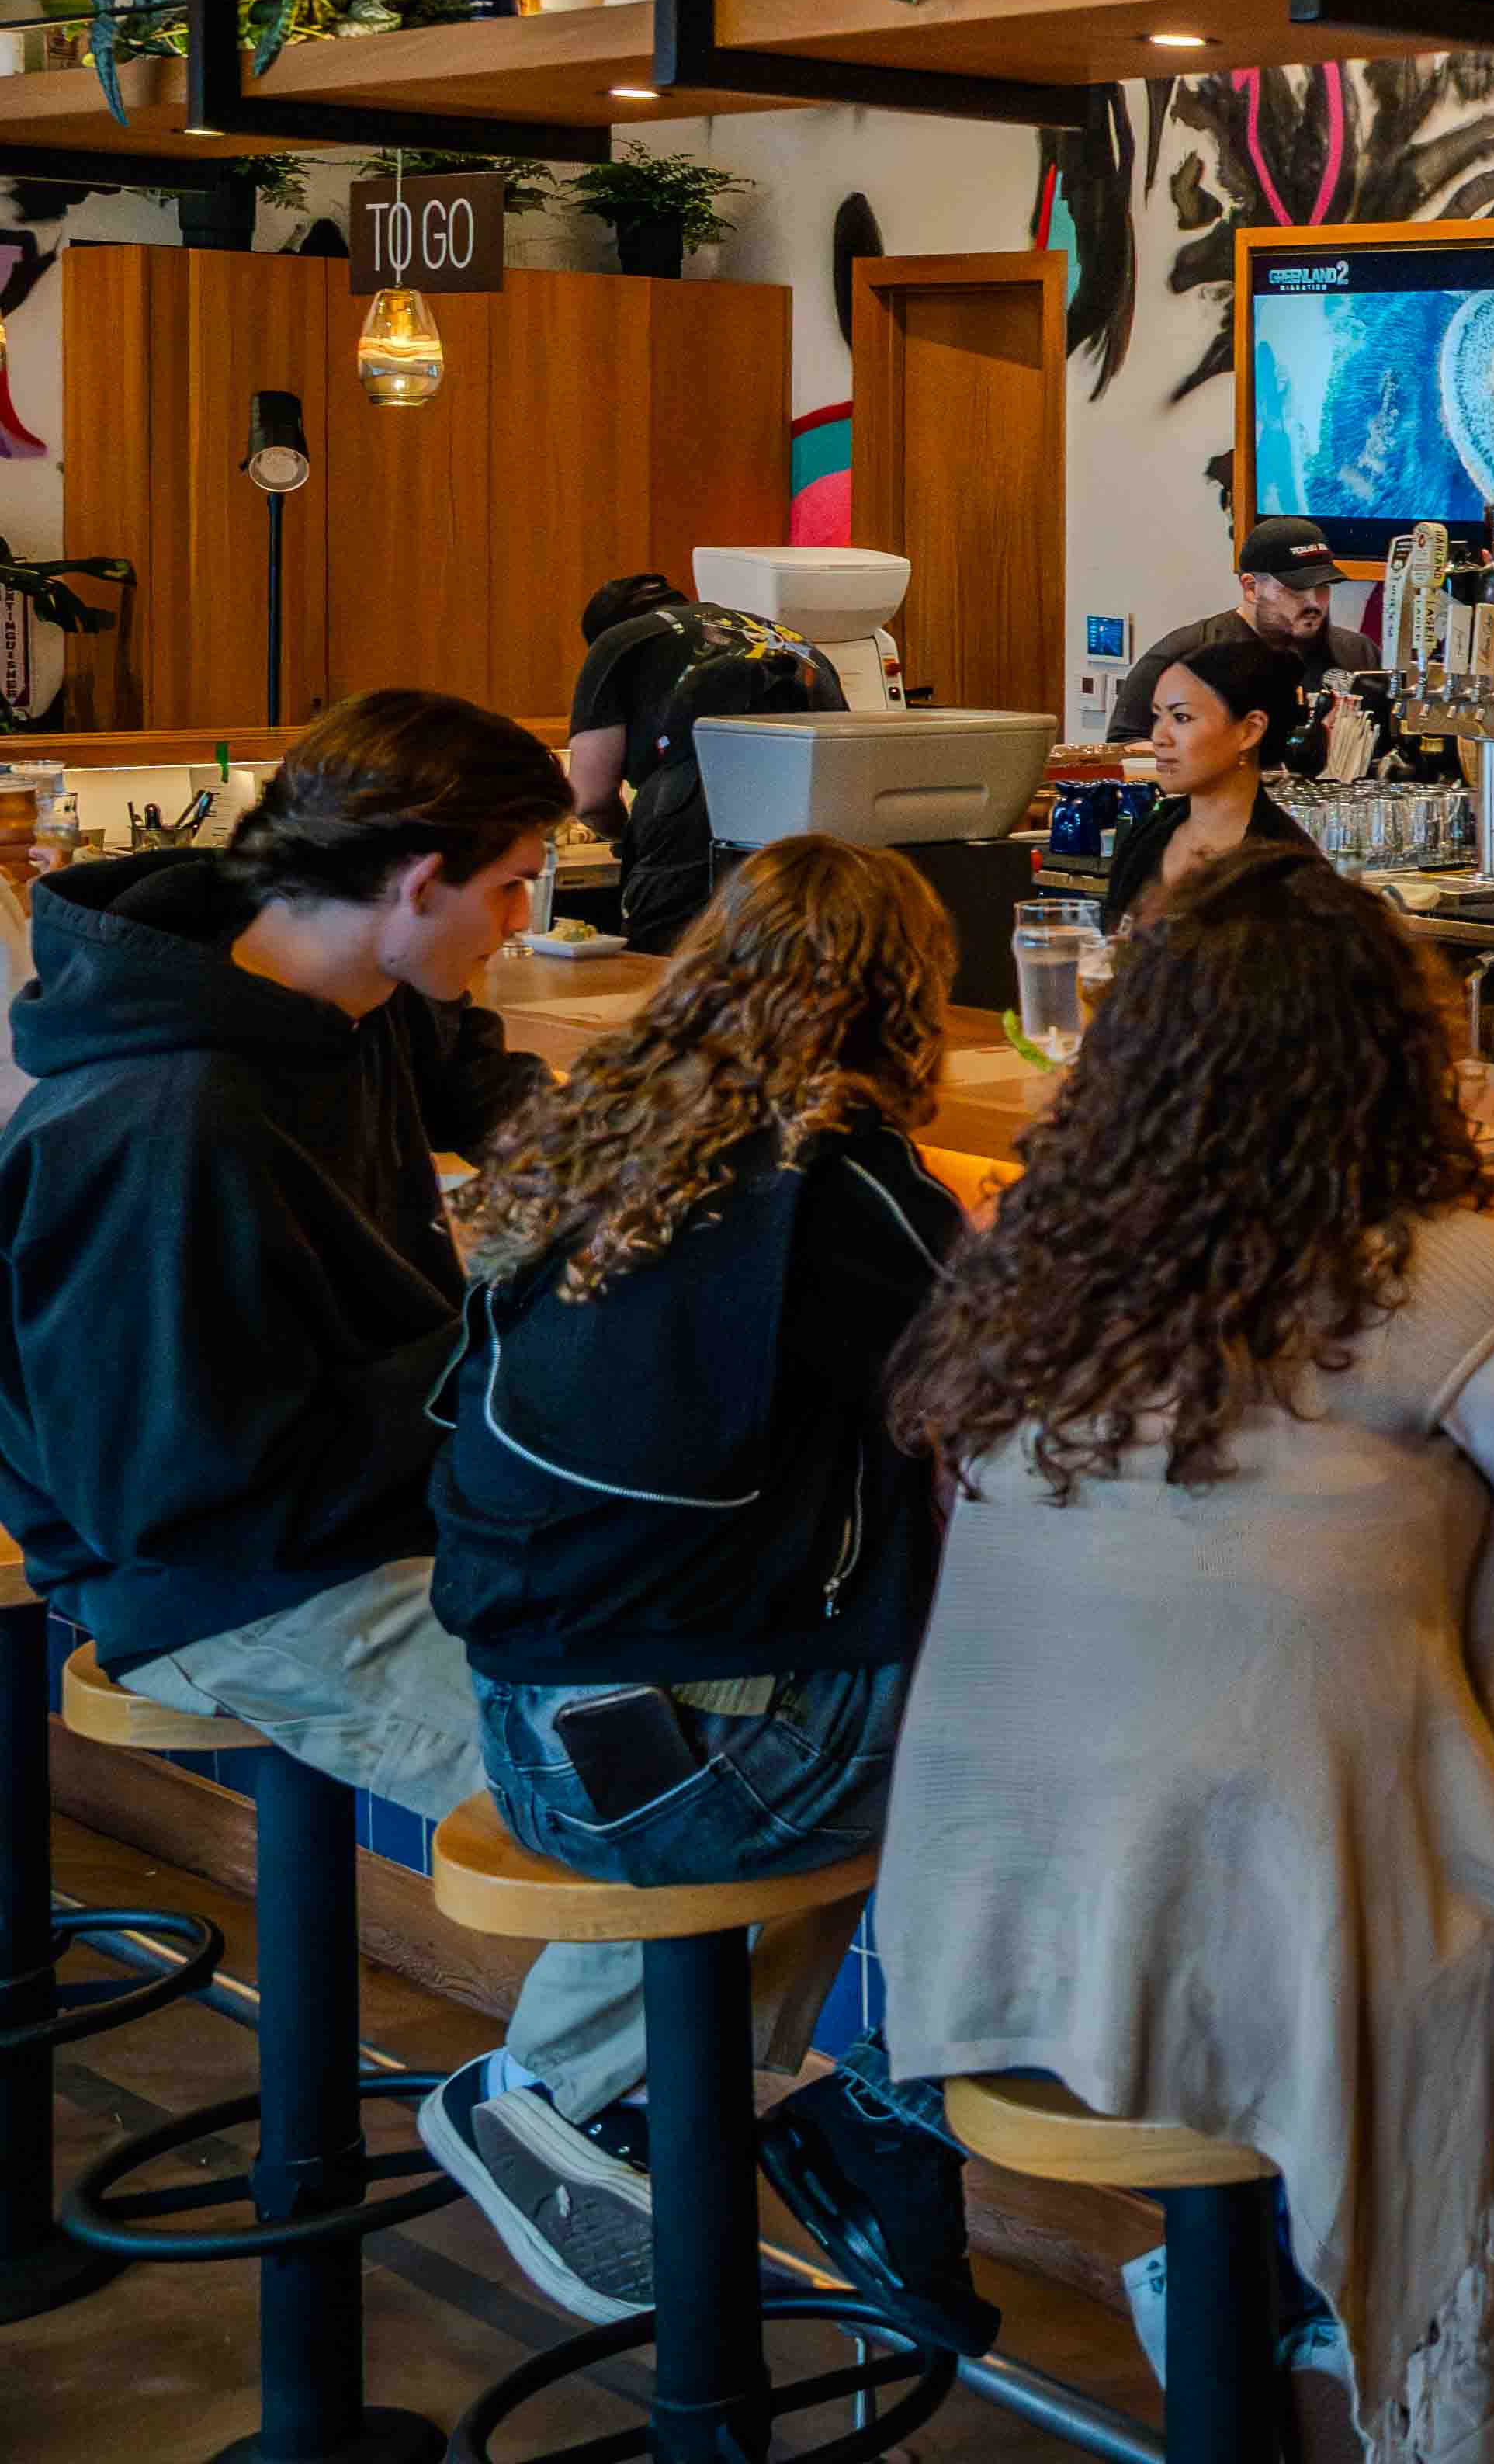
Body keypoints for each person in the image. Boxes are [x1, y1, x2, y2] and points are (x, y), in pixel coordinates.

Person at [879, 850, 1494, 2464]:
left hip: (998, 1901)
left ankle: (1260, 2267)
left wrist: (1458, 1490)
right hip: (1246, 1909)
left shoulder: (1027, 1254)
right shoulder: (1439, 1266)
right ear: (1392, 1056)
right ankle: (1330, 2243)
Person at [0, 691, 661, 2320]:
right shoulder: (163, 1123)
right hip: (236, 1584)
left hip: (383, 1516)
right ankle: (554, 2114)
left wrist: (634, 1162)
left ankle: (615, 2115)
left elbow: (472, 1073)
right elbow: (173, 1486)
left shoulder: (343, 990)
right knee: (680, 1801)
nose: (522, 927)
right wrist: (506, 1351)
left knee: (770, 1711)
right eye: (514, 887)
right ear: (415, 876)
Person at [424, 835, 994, 2351]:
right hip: (682, 1769)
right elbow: (1016, 1403)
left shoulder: (608, 1124)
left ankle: (667, 2111)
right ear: (901, 997)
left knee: (903, 1696)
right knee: (1043, 1747)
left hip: (531, 1725)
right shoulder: (840, 1176)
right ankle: (852, 2118)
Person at [567, 571, 843, 953]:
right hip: (814, 834)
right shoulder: (792, 639)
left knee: (667, 975)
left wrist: (626, 836)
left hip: (691, 822)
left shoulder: (619, 641)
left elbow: (591, 799)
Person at [1099, 626, 1330, 933]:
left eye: (1181, 718)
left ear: (1249, 731)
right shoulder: (1152, 832)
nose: (1158, 737)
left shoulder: (1289, 870)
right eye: (1157, 716)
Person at [1106, 515, 1349, 748]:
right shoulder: (1185, 655)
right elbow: (1124, 744)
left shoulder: (1355, 651)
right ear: (1251, 588)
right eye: (1296, 589)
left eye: (1323, 587)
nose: (1314, 602)